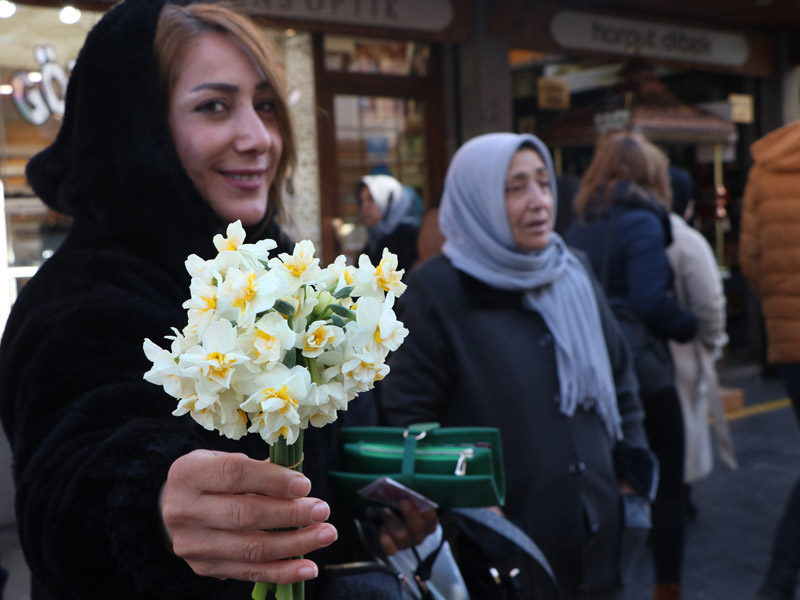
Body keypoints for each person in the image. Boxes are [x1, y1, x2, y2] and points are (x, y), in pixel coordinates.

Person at [0, 0, 432, 597]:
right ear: (136, 128)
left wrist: (366, 519)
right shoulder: (81, 296)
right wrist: (150, 500)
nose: (258, 138)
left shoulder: (283, 272)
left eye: (263, 106)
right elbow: (65, 484)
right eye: (214, 106)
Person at [379, 132, 654, 600]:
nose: (539, 201)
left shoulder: (574, 272)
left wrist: (630, 485)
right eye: (515, 188)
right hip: (498, 558)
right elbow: (406, 419)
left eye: (544, 184)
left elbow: (622, 383)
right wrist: (474, 507)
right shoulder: (434, 292)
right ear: (477, 198)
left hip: (600, 537)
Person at [565, 132, 697, 600]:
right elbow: (648, 299)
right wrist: (687, 325)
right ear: (652, 175)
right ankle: (667, 587)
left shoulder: (580, 221)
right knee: (665, 484)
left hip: (589, 367)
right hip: (643, 369)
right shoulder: (643, 221)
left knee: (607, 478)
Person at [740, 120, 800, 600]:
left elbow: (750, 258)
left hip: (788, 342)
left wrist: (780, 310)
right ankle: (777, 584)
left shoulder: (765, 166)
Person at [666, 167, 736, 517]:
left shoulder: (631, 234)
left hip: (647, 356)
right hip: (685, 351)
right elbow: (710, 304)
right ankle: (680, 503)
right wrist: (713, 341)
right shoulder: (689, 241)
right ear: (689, 206)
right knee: (686, 434)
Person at [355, 174, 420, 272]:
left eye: (371, 199)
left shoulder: (408, 236)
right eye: (362, 201)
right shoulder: (376, 235)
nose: (364, 207)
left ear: (390, 200)